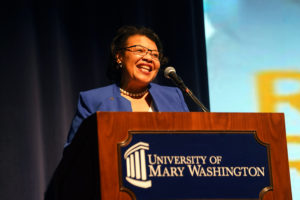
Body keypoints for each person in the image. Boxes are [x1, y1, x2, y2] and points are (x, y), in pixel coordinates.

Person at [65, 25, 189, 147]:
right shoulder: (93, 100)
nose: (148, 58)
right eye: (139, 50)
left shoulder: (173, 97)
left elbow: (191, 141)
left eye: (155, 55)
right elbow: (73, 154)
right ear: (119, 57)